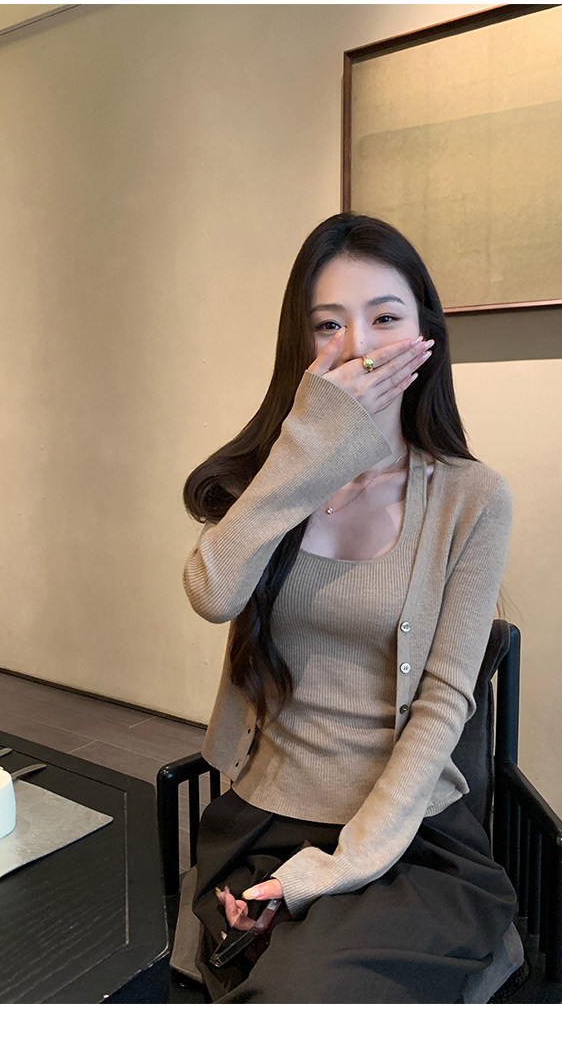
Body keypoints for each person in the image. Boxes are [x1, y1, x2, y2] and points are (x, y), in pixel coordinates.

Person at [180, 212, 523, 1003]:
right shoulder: (269, 483)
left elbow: (444, 701)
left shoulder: (473, 498)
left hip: (401, 832)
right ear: (301, 348)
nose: (359, 347)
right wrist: (310, 445)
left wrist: (343, 865)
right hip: (264, 818)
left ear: (425, 335)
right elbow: (212, 594)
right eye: (328, 325)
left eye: (385, 318)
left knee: (305, 996)